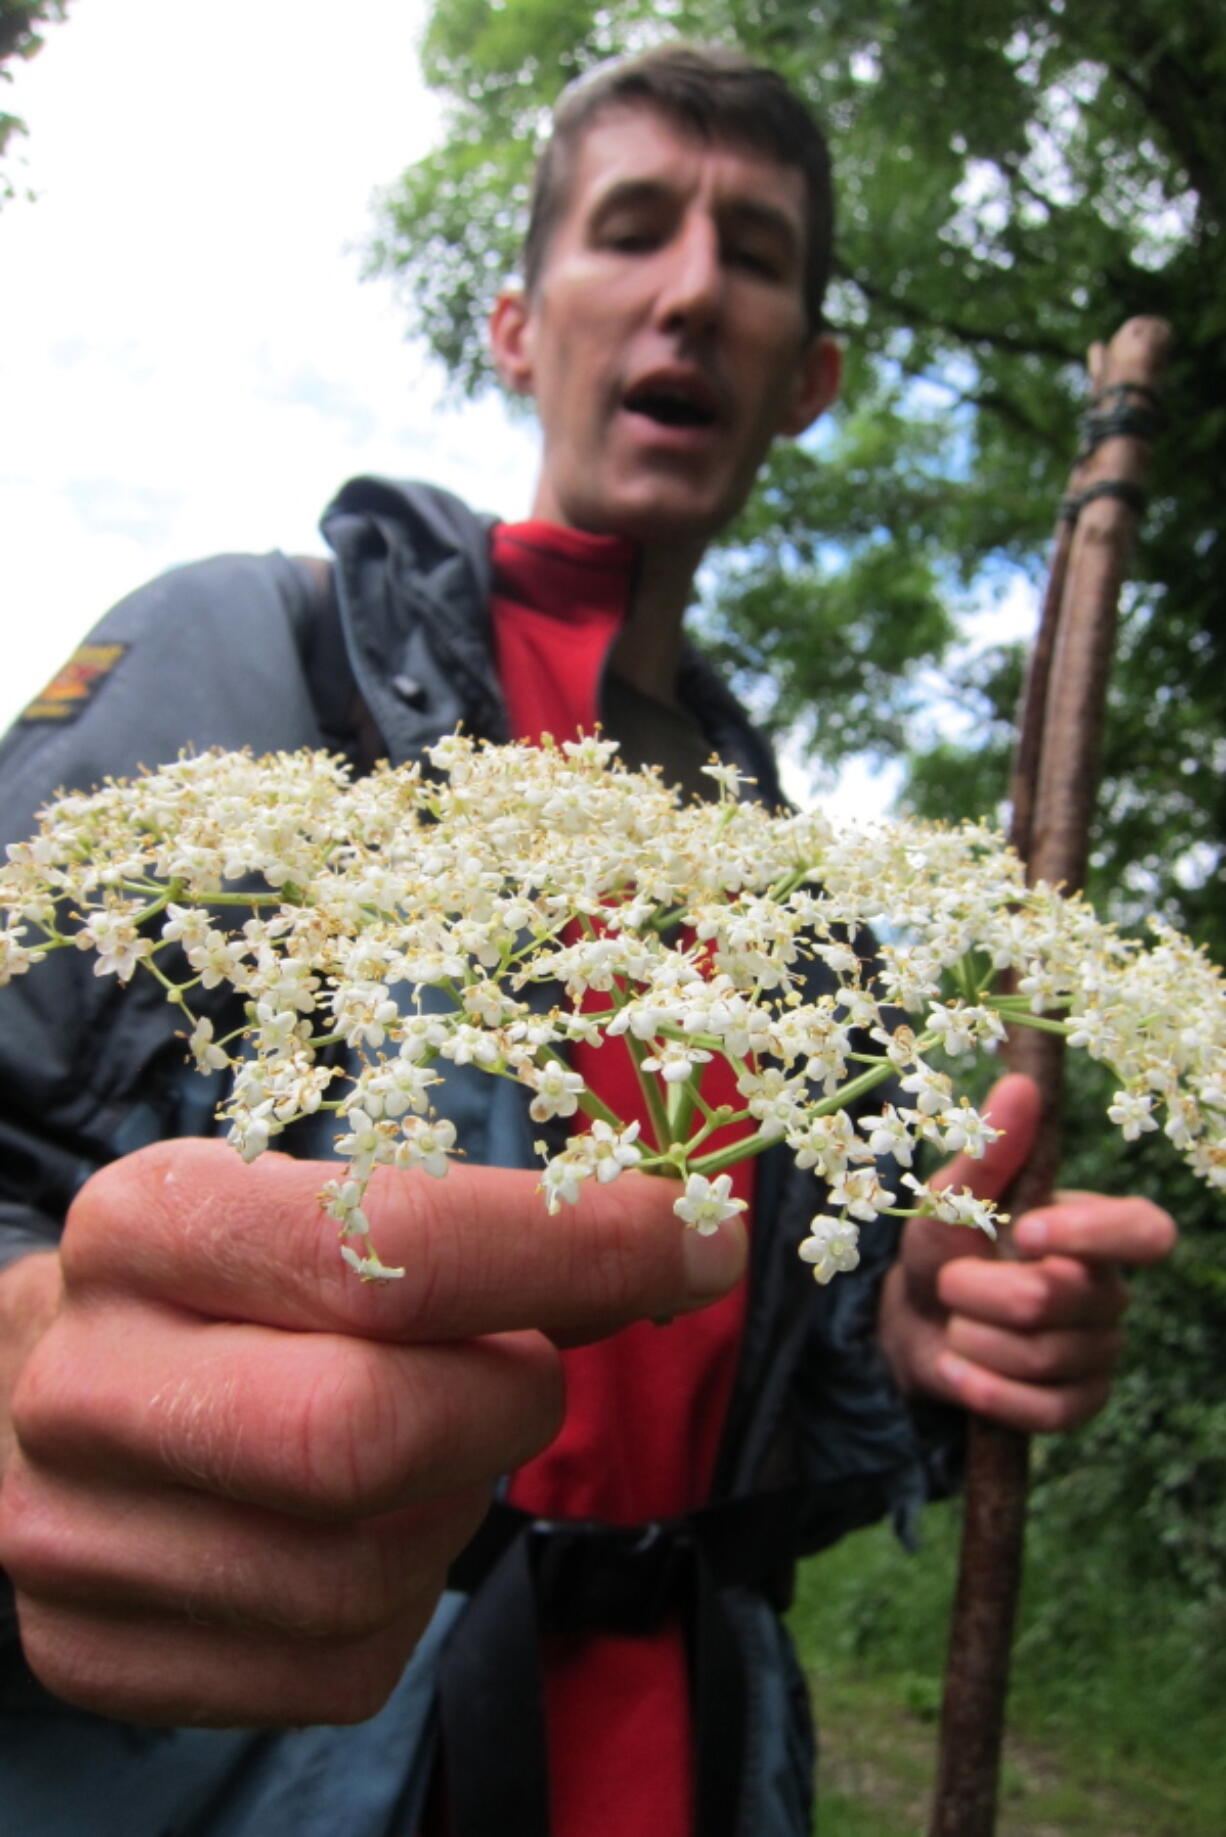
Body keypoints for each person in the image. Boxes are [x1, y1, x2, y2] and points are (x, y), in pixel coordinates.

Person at [0, 41, 1173, 1837]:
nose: (692, 288)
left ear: (812, 379)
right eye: (632, 230)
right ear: (514, 324)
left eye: (755, 255)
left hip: (694, 1753)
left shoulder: (790, 891)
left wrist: (906, 1343)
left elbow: (745, 1384)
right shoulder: (250, 664)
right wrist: (24, 1372)